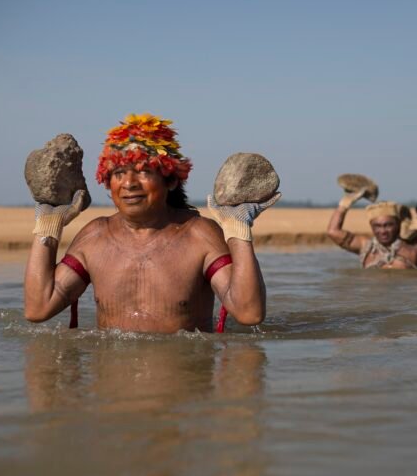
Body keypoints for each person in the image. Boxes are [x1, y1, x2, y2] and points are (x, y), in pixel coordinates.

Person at [24, 113, 280, 333]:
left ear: (170, 180)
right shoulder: (94, 237)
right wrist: (47, 226)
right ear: (107, 182)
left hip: (183, 386)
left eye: (144, 171)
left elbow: (249, 314)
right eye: (119, 173)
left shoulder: (199, 235)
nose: (129, 183)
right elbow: (38, 308)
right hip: (111, 389)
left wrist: (238, 231)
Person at [327, 188, 417, 268]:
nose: (383, 231)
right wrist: (343, 206)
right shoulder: (364, 246)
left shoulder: (415, 248)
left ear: (398, 224)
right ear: (371, 226)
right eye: (377, 226)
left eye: (388, 225)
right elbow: (333, 232)